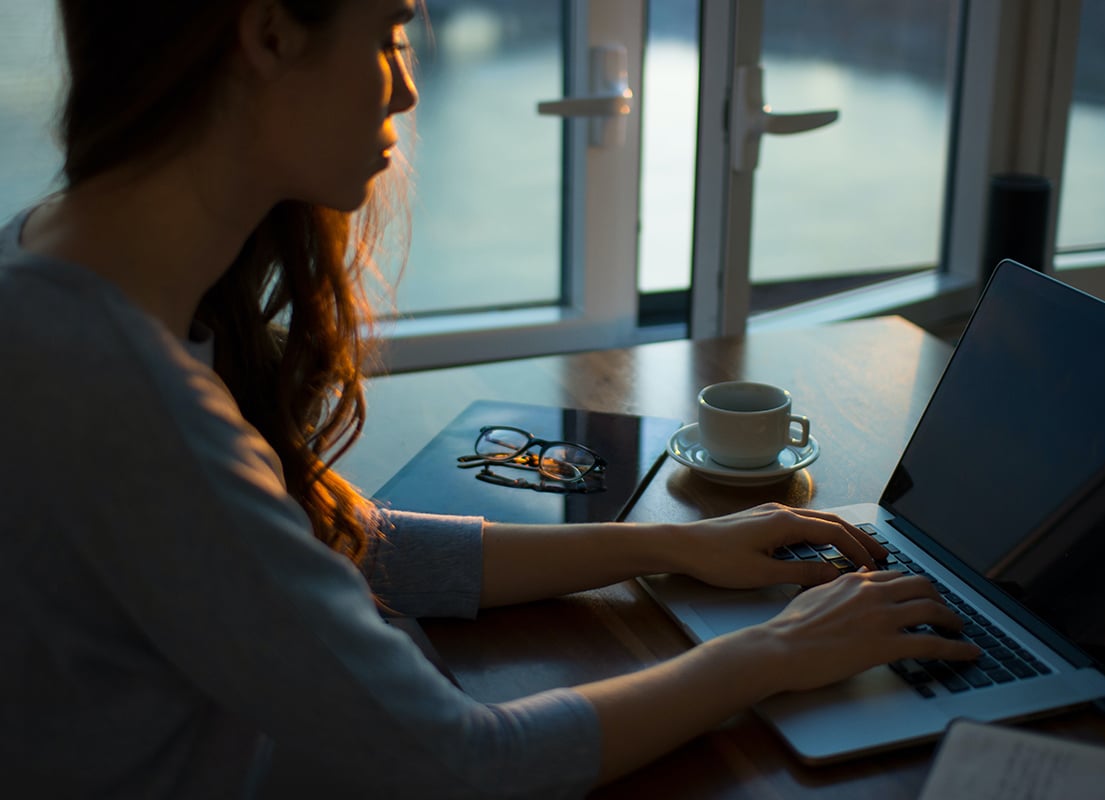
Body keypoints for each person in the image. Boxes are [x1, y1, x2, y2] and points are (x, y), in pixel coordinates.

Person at [0, 0, 979, 797]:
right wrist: (769, 652)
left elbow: (305, 541)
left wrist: (663, 544)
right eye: (388, 30)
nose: (407, 81)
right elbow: (464, 762)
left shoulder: (49, 259)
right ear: (264, 33)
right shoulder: (133, 403)